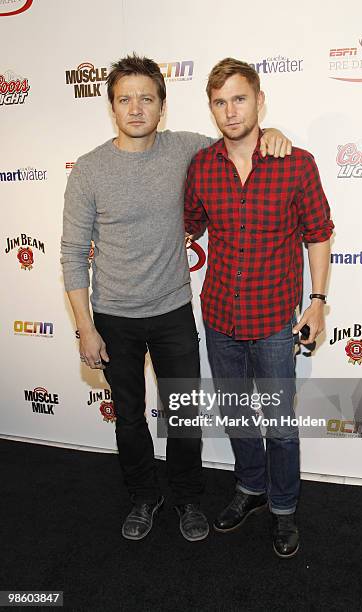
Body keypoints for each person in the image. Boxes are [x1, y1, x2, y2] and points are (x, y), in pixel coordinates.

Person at [60, 53, 292, 543]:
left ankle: (188, 497)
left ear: (162, 107)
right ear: (112, 107)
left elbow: (240, 139)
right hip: (114, 316)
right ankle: (144, 496)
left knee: (184, 415)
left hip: (173, 312)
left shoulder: (187, 150)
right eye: (126, 99)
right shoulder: (89, 169)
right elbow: (72, 252)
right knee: (128, 418)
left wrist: (273, 133)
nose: (137, 108)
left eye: (147, 98)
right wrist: (85, 324)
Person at [184, 58, 334, 557]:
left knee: (279, 424)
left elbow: (318, 234)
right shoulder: (202, 166)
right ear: (211, 109)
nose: (230, 111)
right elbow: (188, 225)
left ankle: (285, 508)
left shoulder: (296, 162)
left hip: (273, 321)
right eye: (220, 102)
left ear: (260, 102)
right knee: (235, 414)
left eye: (240, 98)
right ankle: (251, 488)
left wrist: (317, 302)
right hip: (221, 317)